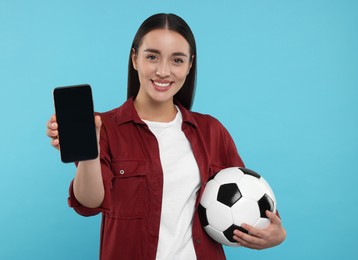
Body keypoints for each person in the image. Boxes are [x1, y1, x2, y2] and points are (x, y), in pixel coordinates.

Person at [46, 13, 286, 260]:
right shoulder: (104, 127)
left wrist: (276, 233)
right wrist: (89, 153)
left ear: (190, 65)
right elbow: (89, 203)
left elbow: (247, 196)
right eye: (152, 57)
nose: (163, 71)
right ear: (134, 58)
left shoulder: (211, 131)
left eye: (177, 60)